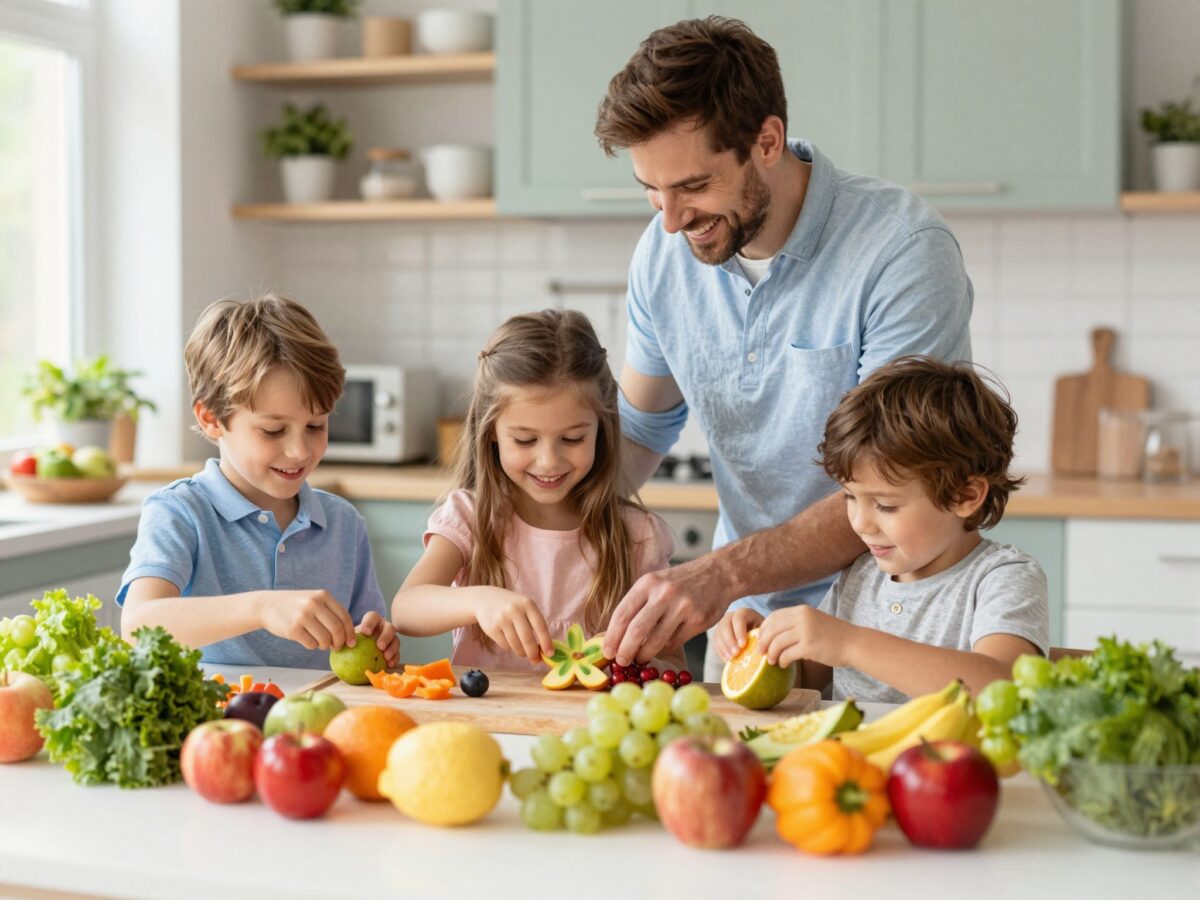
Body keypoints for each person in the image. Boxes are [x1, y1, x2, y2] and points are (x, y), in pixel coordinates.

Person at [592, 16, 975, 675]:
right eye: (651, 190)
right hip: (745, 634)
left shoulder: (902, 251)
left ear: (767, 141)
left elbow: (899, 482)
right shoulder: (662, 255)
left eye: (693, 186)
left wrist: (718, 575)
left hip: (886, 633)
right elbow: (638, 431)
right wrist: (514, 525)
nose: (671, 220)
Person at [712, 356, 1048, 702]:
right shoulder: (861, 575)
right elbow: (805, 681)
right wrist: (768, 648)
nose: (860, 523)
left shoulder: (1002, 578)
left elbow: (1001, 688)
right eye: (850, 497)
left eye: (885, 505)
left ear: (965, 495)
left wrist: (849, 643)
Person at [391, 309, 681, 673]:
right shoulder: (470, 517)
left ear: (602, 429)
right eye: (525, 440)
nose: (548, 461)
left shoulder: (637, 534)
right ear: (491, 432)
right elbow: (406, 608)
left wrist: (636, 662)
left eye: (572, 439)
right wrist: (479, 601)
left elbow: (673, 662)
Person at [118, 295, 399, 669]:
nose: (300, 451)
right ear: (211, 419)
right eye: (273, 430)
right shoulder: (180, 512)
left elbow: (367, 642)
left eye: (316, 425)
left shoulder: (344, 524)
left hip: (318, 708)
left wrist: (380, 641)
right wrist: (260, 607)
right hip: (218, 707)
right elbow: (138, 626)